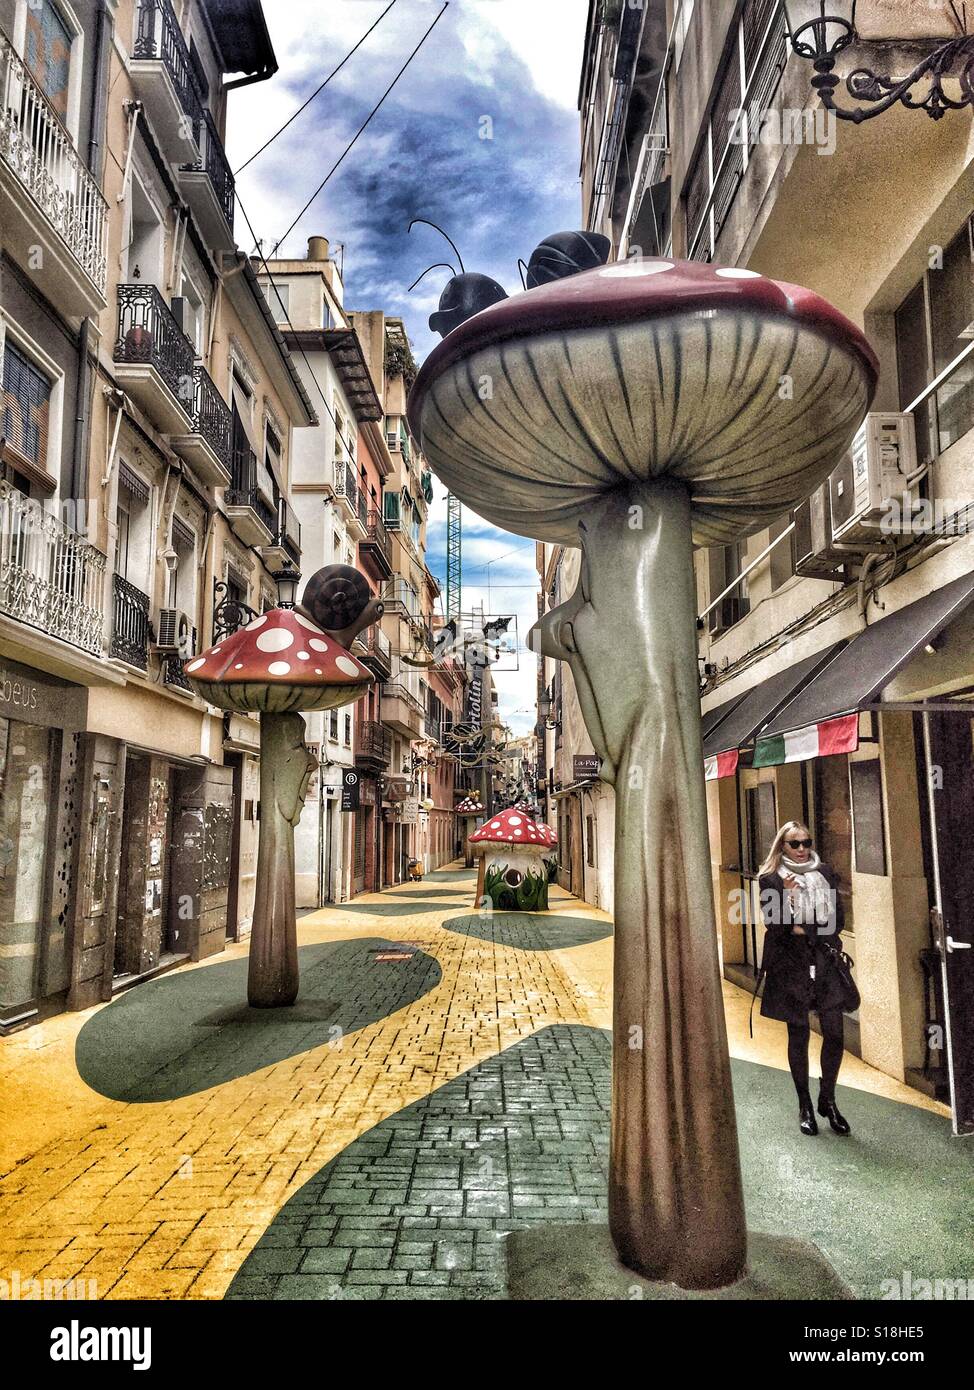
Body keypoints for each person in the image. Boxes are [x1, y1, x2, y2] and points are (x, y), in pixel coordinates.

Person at [756, 821, 852, 1137]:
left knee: (835, 1034)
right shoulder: (771, 879)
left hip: (824, 959)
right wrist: (787, 899)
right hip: (791, 963)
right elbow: (776, 925)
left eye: (806, 842)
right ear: (781, 847)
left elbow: (837, 919)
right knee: (799, 1034)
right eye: (794, 844)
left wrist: (807, 927)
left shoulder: (823, 872)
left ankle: (828, 1099)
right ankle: (805, 1105)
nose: (801, 849)